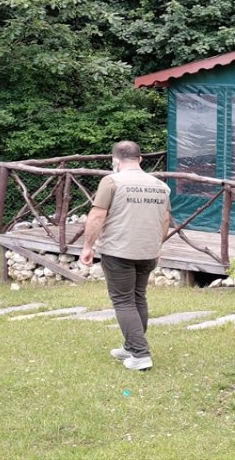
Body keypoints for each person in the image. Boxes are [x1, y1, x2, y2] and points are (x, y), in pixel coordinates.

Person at [79, 140, 171, 371]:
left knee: (123, 300)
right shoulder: (161, 185)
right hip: (148, 251)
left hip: (118, 251)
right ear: (140, 159)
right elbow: (165, 219)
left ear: (115, 160)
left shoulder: (111, 181)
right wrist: (157, 245)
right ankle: (131, 346)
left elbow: (97, 215)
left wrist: (87, 246)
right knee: (138, 297)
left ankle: (140, 355)